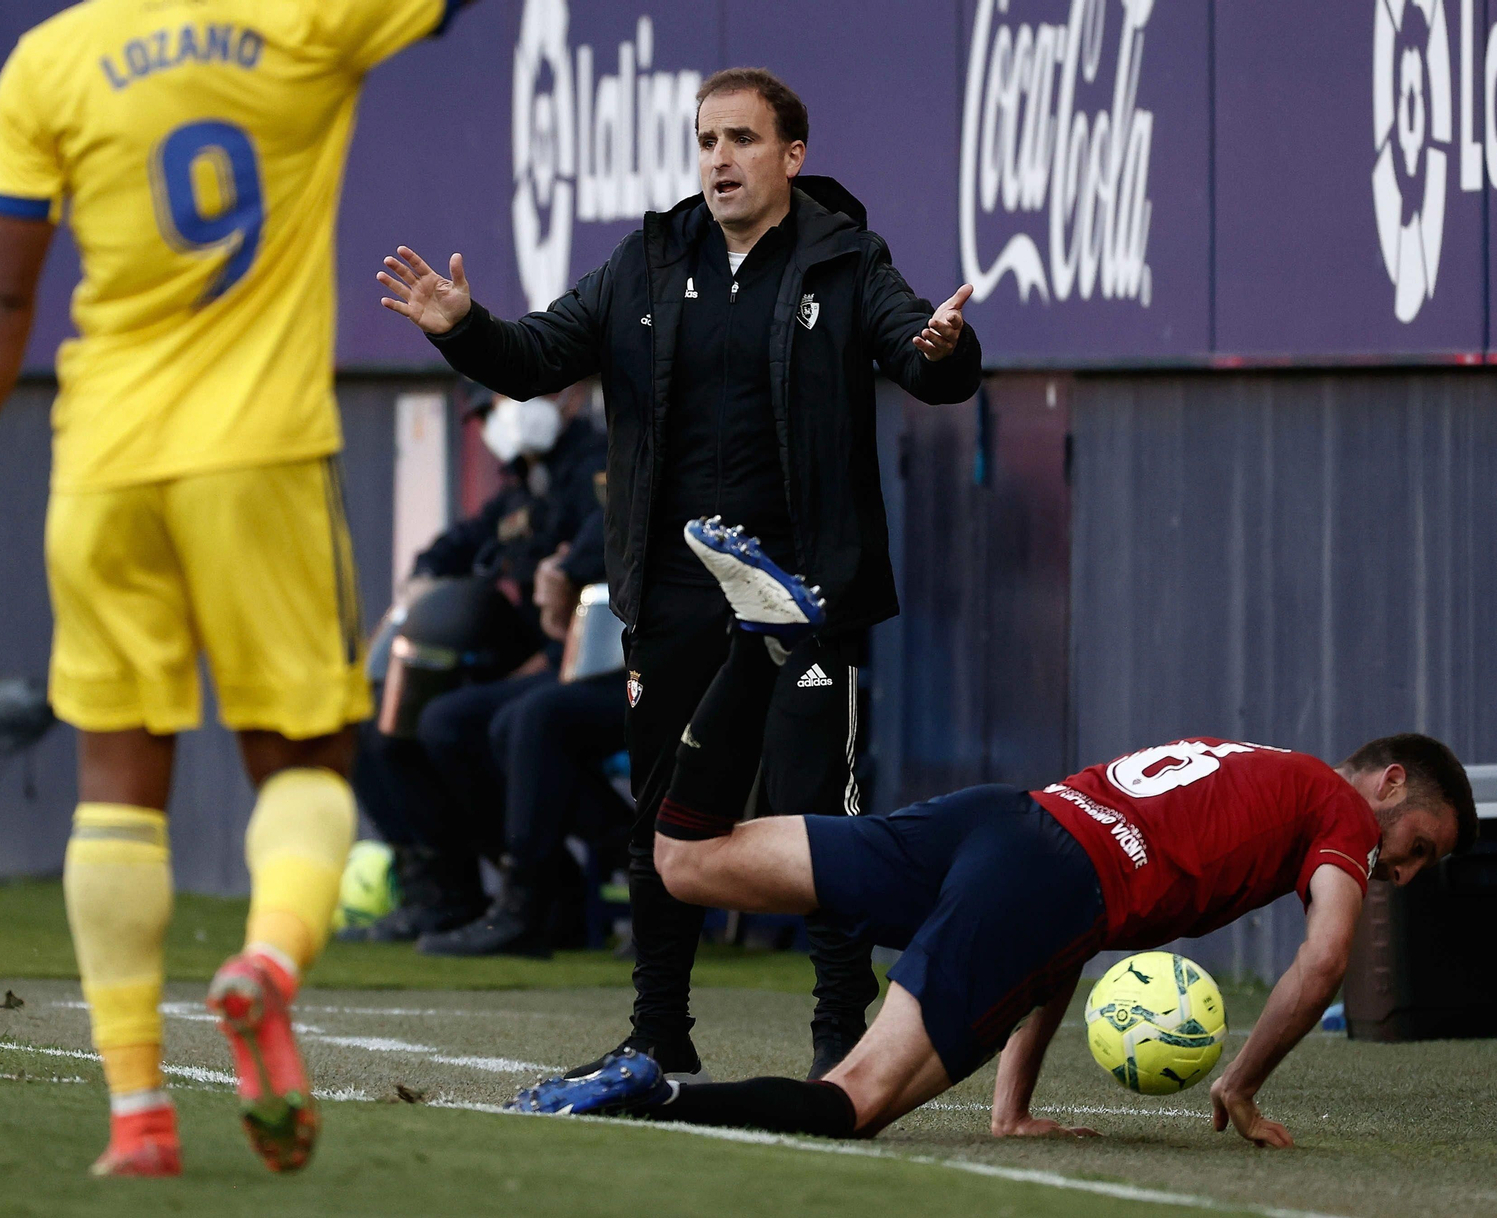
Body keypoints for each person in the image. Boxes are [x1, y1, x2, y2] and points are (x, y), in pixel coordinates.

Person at [0, 0, 468, 1178]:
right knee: (306, 757)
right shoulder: (302, 20)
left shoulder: (48, 62)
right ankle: (263, 965)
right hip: (257, 456)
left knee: (114, 777)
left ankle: (139, 1119)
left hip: (103, 462)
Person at [378, 67, 982, 1080]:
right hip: (672, 587)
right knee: (667, 817)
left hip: (797, 590)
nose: (719, 160)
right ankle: (661, 1030)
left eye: (742, 140)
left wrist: (942, 349)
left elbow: (922, 358)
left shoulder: (844, 259)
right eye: (706, 141)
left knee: (815, 816)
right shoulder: (648, 260)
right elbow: (535, 356)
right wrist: (462, 329)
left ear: (791, 155)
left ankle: (840, 1032)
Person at [510, 532, 1479, 1146]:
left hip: (1002, 819)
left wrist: (1007, 1104)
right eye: (1418, 845)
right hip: (1041, 875)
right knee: (852, 1103)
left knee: (686, 860)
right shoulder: (1341, 814)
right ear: (1387, 783)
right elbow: (1321, 963)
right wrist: (1241, 1079)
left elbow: (1060, 943)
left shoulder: (1259, 769)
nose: (1400, 869)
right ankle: (650, 1095)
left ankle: (755, 645)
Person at [352, 394, 607, 946]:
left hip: (600, 665)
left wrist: (566, 569)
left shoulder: (595, 462)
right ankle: (445, 891)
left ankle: (539, 897)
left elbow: (604, 540)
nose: (498, 421)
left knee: (477, 722)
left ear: (567, 399)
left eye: (503, 403)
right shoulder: (522, 483)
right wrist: (426, 575)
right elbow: (468, 539)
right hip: (544, 661)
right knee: (389, 721)